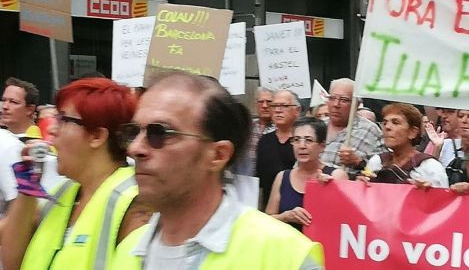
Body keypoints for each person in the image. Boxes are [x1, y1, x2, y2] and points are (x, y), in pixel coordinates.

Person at [117, 72, 323, 269]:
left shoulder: (284, 255)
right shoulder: (128, 249)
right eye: (133, 132)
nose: (135, 148)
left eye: (160, 133)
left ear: (218, 155)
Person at [1, 78, 149, 270]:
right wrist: (28, 188)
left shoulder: (135, 205)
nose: (52, 129)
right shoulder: (63, 192)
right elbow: (12, 261)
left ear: (96, 136)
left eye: (63, 119)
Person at [266, 117, 348, 231]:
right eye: (296, 140)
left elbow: (344, 221)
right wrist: (285, 217)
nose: (301, 146)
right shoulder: (282, 177)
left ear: (322, 146)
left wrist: (327, 191)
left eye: (308, 140)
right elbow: (266, 220)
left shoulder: (336, 176)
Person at [364, 103, 448, 187]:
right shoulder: (376, 162)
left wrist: (428, 193)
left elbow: (443, 199)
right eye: (385, 123)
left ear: (413, 132)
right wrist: (361, 185)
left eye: (395, 123)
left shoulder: (430, 167)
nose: (387, 127)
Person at [320, 78, 387, 178]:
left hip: (348, 189)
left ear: (357, 104)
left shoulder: (370, 131)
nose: (336, 104)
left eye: (344, 100)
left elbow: (382, 171)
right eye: (332, 98)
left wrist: (358, 162)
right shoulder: (317, 126)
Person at [256, 90, 301, 209]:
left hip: (299, 209)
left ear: (297, 111)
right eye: (274, 106)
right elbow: (260, 179)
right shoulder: (264, 140)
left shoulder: (302, 141)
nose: (277, 110)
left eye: (284, 106)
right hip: (270, 210)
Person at [237, 87, 275, 176]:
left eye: (269, 102)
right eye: (261, 102)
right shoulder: (246, 127)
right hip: (246, 179)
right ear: (256, 104)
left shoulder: (280, 130)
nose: (265, 106)